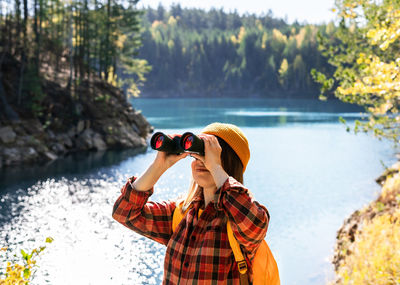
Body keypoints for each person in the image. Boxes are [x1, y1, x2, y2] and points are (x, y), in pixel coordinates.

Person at [112, 122, 270, 284]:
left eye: (209, 155)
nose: (201, 161)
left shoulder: (239, 222)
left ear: (230, 163)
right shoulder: (181, 214)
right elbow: (125, 213)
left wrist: (214, 166)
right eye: (197, 155)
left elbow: (254, 224)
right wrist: (159, 165)